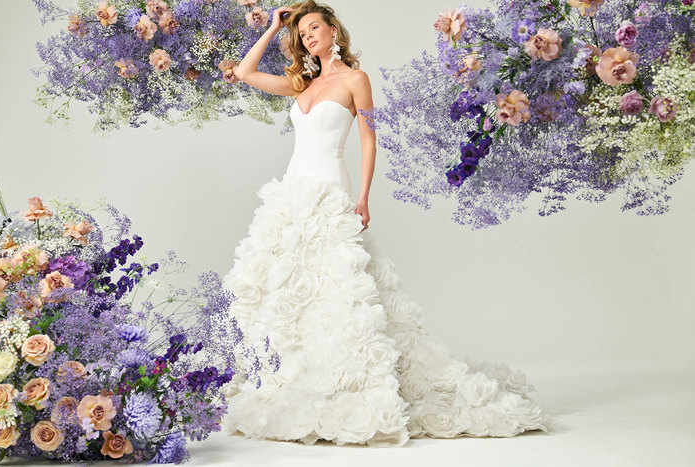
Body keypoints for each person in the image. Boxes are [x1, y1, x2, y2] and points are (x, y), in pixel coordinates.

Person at [220, 0, 551, 447]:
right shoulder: (302, 83)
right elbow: (244, 73)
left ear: (333, 29)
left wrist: (363, 196)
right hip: (291, 195)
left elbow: (368, 140)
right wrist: (275, 25)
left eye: (315, 27)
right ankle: (299, 377)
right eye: (303, 33)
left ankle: (354, 381)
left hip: (330, 190)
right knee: (290, 286)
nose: (309, 37)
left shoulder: (357, 80)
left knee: (340, 285)